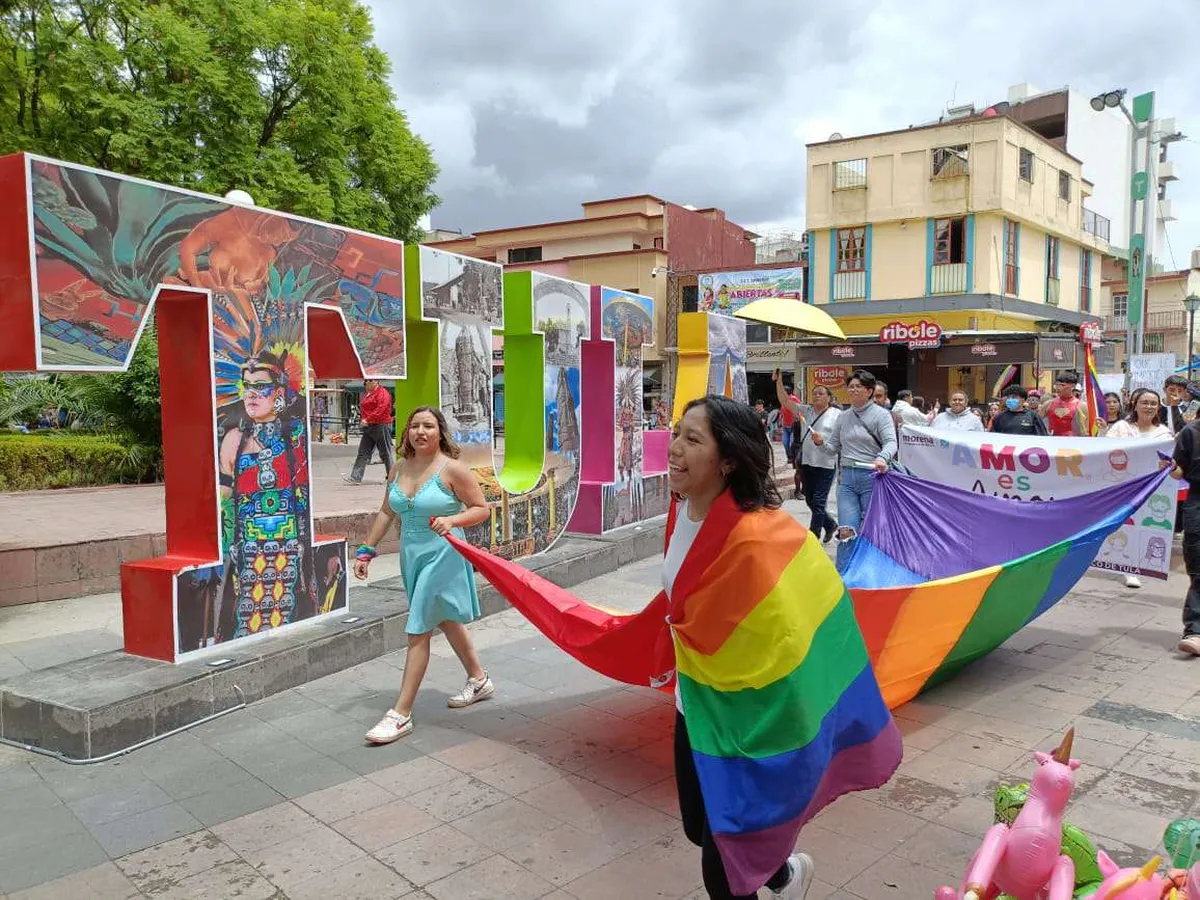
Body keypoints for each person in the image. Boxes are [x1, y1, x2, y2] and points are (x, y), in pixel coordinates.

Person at [667, 395, 817, 899]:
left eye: (692, 440)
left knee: (724, 867)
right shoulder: (682, 512)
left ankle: (765, 875)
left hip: (745, 720)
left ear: (727, 459)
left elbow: (792, 629)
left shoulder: (755, 536)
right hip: (693, 706)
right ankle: (785, 875)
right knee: (696, 828)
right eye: (676, 434)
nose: (674, 449)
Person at [357, 406, 495, 744]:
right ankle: (479, 680)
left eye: (429, 426)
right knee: (445, 618)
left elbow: (481, 509)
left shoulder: (453, 470)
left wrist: (452, 520)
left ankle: (400, 714)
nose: (421, 431)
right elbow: (387, 511)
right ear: (406, 433)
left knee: (418, 627)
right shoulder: (399, 468)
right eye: (415, 426)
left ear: (440, 432)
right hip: (413, 555)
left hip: (444, 552)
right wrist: (366, 550)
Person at [828, 369, 897, 570]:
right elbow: (832, 448)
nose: (853, 390)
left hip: (872, 478)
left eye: (858, 387)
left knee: (873, 530)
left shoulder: (881, 415)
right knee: (846, 530)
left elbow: (891, 442)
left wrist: (882, 458)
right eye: (851, 387)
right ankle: (844, 578)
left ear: (869, 391)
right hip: (847, 480)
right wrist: (820, 443)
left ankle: (873, 574)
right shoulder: (843, 416)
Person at [1107, 389, 1172, 590]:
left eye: (1153, 403)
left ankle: (1135, 566)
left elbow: (1171, 458)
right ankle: (1125, 567)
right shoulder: (1121, 427)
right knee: (1124, 524)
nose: (1149, 407)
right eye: (1144, 402)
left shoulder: (1163, 432)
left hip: (1152, 487)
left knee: (1143, 526)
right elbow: (1104, 450)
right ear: (1135, 405)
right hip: (1123, 484)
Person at [775, 372, 839, 542]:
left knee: (818, 502)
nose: (817, 395)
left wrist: (822, 441)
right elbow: (785, 401)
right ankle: (830, 524)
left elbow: (840, 441)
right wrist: (779, 381)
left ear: (829, 398)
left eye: (821, 393)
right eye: (815, 393)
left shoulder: (837, 415)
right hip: (807, 463)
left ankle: (813, 536)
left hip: (826, 465)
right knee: (810, 501)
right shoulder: (806, 410)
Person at [1168, 415, 1200, 656]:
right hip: (1197, 503)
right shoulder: (1191, 433)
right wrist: (1170, 467)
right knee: (1199, 567)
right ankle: (1195, 630)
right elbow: (1180, 469)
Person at [344, 379, 396, 485]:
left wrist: (367, 419)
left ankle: (392, 477)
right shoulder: (368, 394)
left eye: (366, 383)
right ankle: (356, 477)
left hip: (380, 425)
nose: (365, 385)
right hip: (369, 425)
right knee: (363, 452)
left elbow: (381, 409)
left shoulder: (383, 393)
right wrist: (365, 420)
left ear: (374, 382)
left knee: (385, 452)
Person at [1040, 371, 1088, 437]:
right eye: (1056, 385)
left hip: (1074, 443)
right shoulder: (1048, 404)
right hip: (1052, 442)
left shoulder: (1082, 406)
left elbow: (1087, 429)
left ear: (1072, 386)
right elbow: (1037, 423)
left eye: (1062, 385)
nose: (1058, 388)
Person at [777, 377, 801, 461]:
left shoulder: (794, 399)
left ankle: (793, 457)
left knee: (792, 442)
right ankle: (789, 456)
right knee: (785, 442)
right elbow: (782, 412)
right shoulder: (784, 401)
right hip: (785, 425)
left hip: (793, 425)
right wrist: (780, 422)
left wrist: (797, 419)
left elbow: (799, 410)